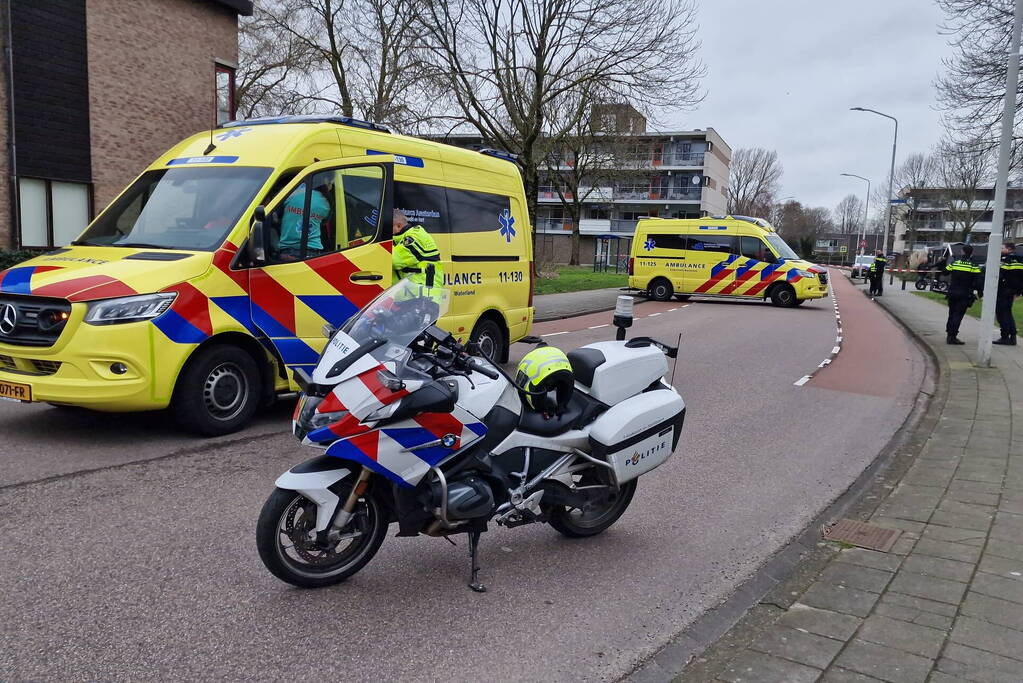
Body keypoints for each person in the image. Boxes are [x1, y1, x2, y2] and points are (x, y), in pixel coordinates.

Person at [276, 182, 331, 262]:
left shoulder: (290, 192)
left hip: (288, 251)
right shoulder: (325, 203)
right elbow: (324, 222)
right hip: (314, 252)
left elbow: (275, 217)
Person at [392, 209, 443, 289]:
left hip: (424, 295)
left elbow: (394, 260)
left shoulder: (415, 236)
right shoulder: (401, 238)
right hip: (413, 295)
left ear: (398, 226)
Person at [945, 244, 983, 345]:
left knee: (951, 313)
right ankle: (952, 337)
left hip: (952, 292)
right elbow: (978, 281)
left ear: (962, 252)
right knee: (958, 315)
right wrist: (980, 293)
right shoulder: (973, 266)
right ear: (972, 253)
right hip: (965, 294)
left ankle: (949, 334)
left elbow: (945, 272)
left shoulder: (955, 263)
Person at [993, 241, 1023, 345]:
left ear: (1009, 249)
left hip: (1003, 291)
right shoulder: (1020, 260)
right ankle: (1013, 336)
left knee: (1001, 313)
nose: (1001, 250)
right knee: (1008, 313)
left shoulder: (1006, 260)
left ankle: (1005, 336)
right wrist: (1018, 292)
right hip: (1012, 291)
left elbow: (1000, 274)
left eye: (1002, 248)